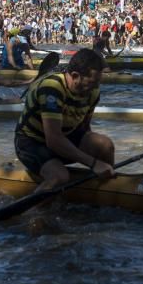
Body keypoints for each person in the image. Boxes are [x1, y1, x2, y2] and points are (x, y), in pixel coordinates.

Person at [14, 48, 115, 192]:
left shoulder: (93, 92)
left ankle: (108, 188)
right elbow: (53, 139)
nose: (96, 87)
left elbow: (85, 130)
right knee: (60, 176)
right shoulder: (52, 87)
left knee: (105, 145)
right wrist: (93, 163)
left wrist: (98, 159)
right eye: (92, 82)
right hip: (31, 143)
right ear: (75, 76)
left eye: (98, 82)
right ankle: (34, 214)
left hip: (63, 139)